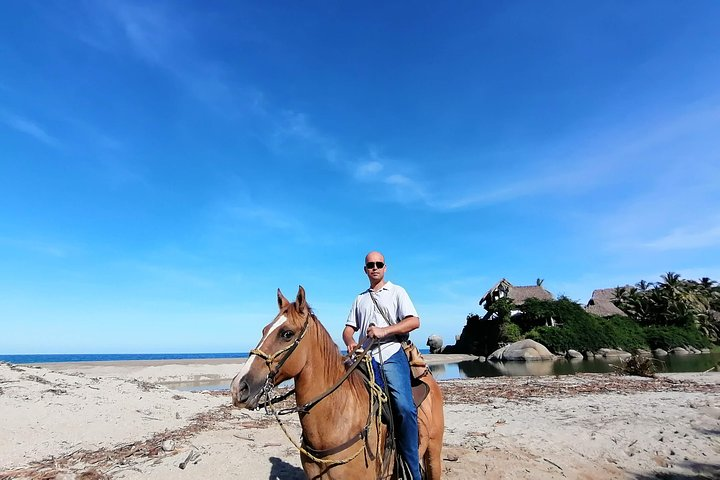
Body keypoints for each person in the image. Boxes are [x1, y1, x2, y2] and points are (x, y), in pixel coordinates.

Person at [343, 251, 421, 480]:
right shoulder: (360, 299)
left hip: (391, 354)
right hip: (365, 357)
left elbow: (414, 321)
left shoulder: (397, 292)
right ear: (365, 269)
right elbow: (348, 330)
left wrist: (384, 331)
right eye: (370, 265)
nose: (374, 268)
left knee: (405, 409)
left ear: (385, 268)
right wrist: (349, 343)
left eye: (379, 264)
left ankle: (411, 468)